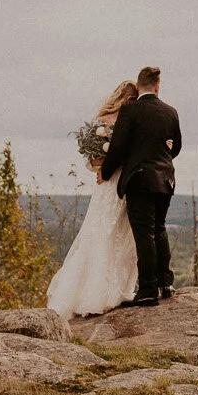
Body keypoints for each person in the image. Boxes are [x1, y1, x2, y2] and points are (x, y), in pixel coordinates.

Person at [46, 79, 141, 318]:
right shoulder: (127, 120)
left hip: (105, 183)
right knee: (118, 232)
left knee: (102, 232)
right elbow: (124, 153)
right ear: (130, 99)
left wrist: (99, 166)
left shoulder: (102, 120)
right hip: (117, 181)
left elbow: (91, 158)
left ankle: (98, 290)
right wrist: (105, 166)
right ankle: (112, 291)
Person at [97, 65, 182, 306]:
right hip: (166, 178)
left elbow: (118, 146)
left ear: (137, 86)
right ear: (157, 86)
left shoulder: (130, 110)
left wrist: (105, 171)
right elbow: (175, 148)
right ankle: (166, 283)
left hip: (140, 178)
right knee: (159, 228)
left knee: (144, 233)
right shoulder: (171, 112)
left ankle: (147, 290)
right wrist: (160, 155)